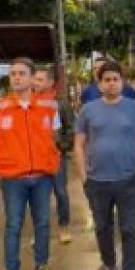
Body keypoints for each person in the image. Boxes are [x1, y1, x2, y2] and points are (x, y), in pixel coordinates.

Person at [0, 57, 61, 270]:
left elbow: (54, 135)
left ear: (31, 77)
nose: (16, 77)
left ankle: (42, 265)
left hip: (42, 177)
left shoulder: (49, 106)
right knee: (13, 225)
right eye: (13, 73)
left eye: (21, 73)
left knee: (43, 223)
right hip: (13, 179)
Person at [75, 60, 135, 270]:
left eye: (115, 79)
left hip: (129, 179)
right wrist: (83, 176)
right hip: (97, 181)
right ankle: (108, 262)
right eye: (106, 80)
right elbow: (78, 144)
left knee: (129, 228)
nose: (111, 84)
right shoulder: (88, 110)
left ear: (122, 82)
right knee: (101, 226)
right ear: (99, 84)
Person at [33, 67, 76, 244]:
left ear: (51, 83)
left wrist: (61, 146)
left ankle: (64, 226)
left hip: (56, 157)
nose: (36, 83)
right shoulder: (30, 102)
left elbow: (71, 129)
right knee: (38, 195)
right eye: (34, 79)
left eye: (40, 80)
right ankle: (39, 231)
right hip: (36, 158)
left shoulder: (61, 104)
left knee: (60, 192)